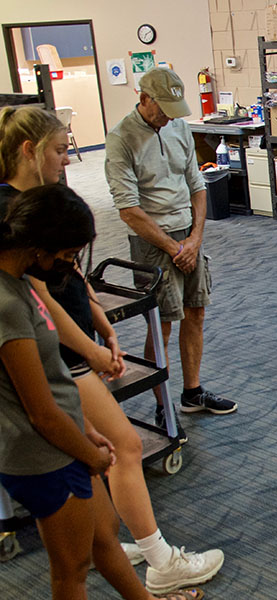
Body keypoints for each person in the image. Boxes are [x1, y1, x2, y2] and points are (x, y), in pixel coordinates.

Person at [0, 106, 225, 594]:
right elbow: (39, 313)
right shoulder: (14, 253)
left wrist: (97, 318)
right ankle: (159, 556)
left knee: (94, 534)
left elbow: (65, 282)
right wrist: (90, 353)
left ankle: (133, 559)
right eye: (61, 151)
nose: (66, 160)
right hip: (56, 373)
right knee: (119, 451)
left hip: (69, 361)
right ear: (29, 150)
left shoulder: (42, 212)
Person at [104, 68, 236, 430]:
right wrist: (174, 247)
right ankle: (162, 403)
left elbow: (197, 184)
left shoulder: (178, 127)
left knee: (195, 313)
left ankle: (192, 393)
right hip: (152, 242)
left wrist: (194, 239)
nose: (167, 116)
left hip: (188, 238)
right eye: (162, 108)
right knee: (161, 324)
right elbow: (129, 209)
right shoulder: (121, 139)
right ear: (143, 97)